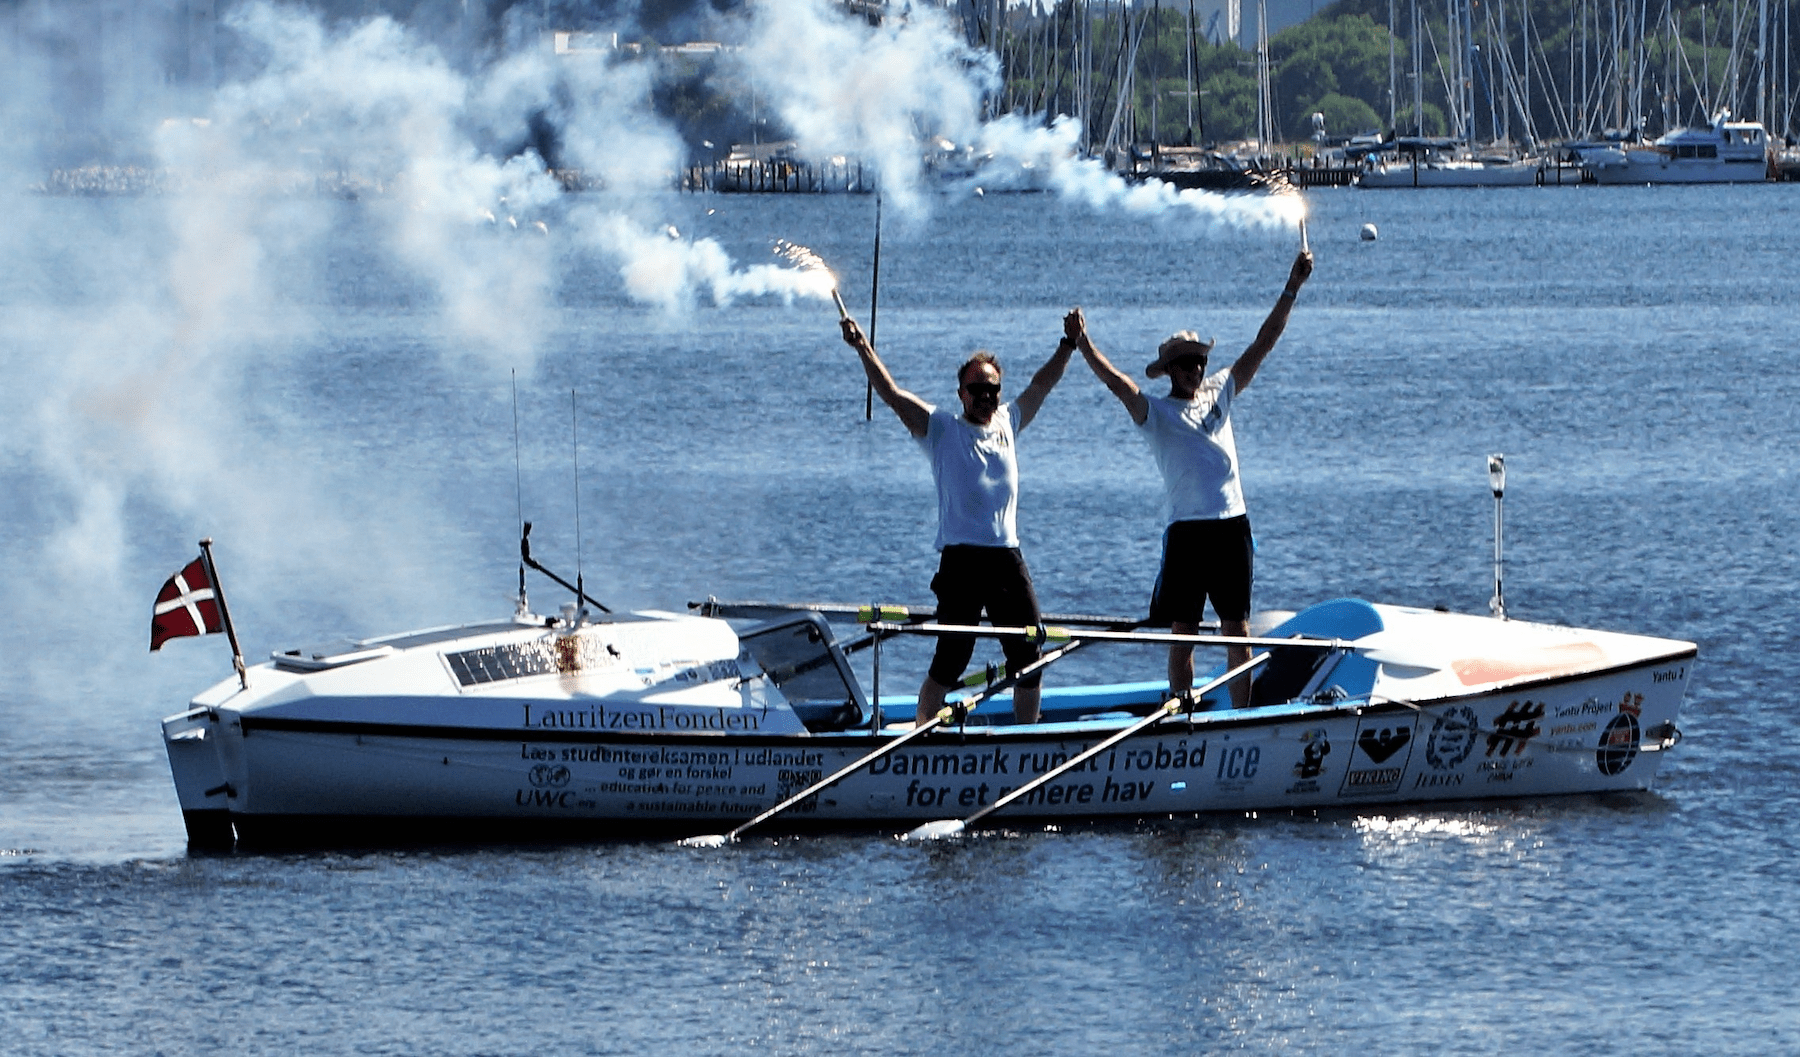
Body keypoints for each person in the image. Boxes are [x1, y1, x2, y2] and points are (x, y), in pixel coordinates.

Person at [1071, 250, 1314, 708]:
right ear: (1169, 371)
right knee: (1183, 630)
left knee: (1236, 629)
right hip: (1187, 530)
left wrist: (1292, 286)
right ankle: (1181, 712)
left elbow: (1265, 340)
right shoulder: (1156, 413)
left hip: (1231, 525)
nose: (1194, 370)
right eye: (1185, 364)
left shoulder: (1222, 387)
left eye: (1198, 362)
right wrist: (1084, 345)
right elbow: (1118, 383)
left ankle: (1241, 715)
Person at [839, 315, 1078, 725]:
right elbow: (892, 394)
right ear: (961, 393)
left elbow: (1042, 385)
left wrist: (1069, 345)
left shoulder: (1007, 421)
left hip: (1007, 558)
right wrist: (862, 346)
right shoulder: (941, 429)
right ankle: (920, 735)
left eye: (992, 390)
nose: (986, 396)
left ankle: (1025, 739)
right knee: (951, 657)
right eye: (977, 389)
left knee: (1028, 653)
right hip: (962, 560)